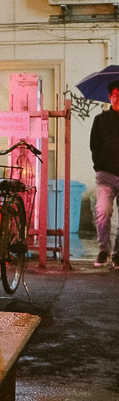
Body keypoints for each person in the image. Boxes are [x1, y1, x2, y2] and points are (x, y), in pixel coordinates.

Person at [90, 81, 119, 268]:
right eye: (116, 93)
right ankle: (104, 250)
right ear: (109, 97)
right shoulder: (101, 120)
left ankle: (118, 253)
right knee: (102, 211)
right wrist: (99, 167)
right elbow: (94, 146)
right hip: (106, 173)